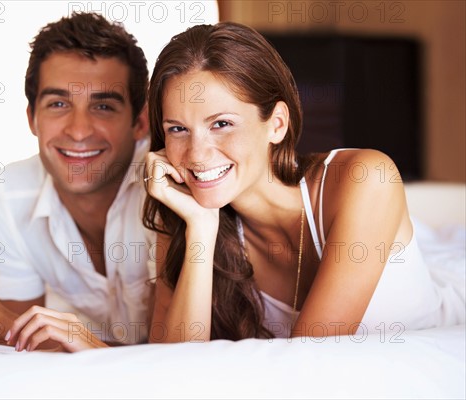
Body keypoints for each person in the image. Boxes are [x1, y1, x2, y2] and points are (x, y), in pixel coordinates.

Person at [143, 22, 465, 342]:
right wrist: (200, 227)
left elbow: (309, 360)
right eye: (177, 129)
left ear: (277, 124)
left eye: (222, 123)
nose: (196, 155)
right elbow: (172, 365)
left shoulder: (366, 177)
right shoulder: (184, 208)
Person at [0, 12, 155, 352]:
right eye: (58, 104)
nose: (78, 130)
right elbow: (26, 349)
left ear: (140, 122)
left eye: (103, 106)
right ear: (32, 119)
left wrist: (84, 346)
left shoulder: (168, 189)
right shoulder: (10, 196)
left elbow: (177, 361)